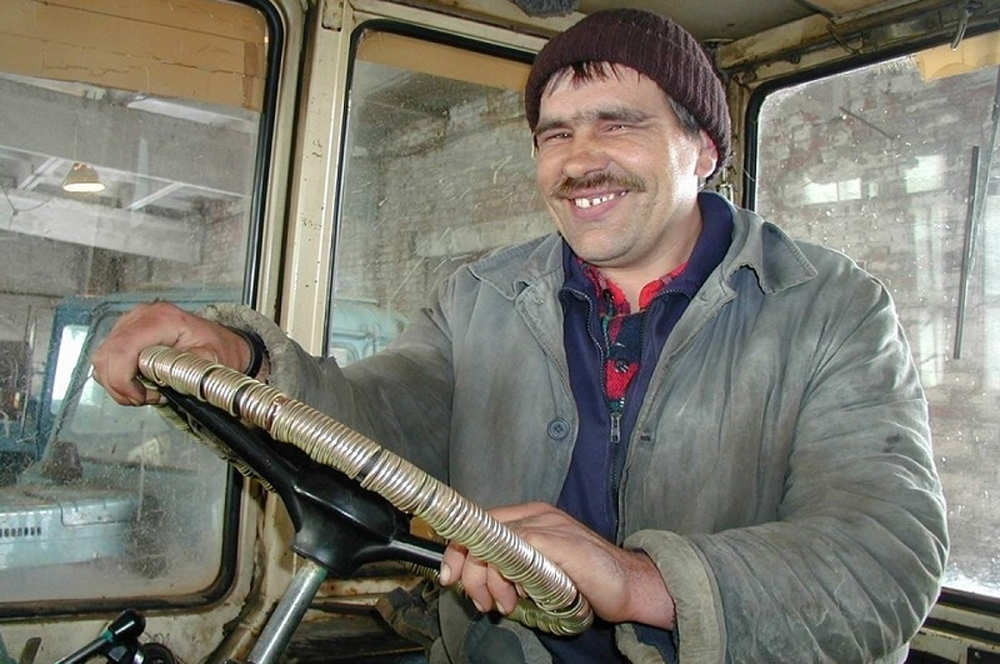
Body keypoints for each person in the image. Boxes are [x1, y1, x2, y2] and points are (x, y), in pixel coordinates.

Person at [92, 8, 948, 664]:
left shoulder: (830, 309)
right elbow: (376, 424)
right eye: (555, 135)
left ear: (703, 148)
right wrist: (241, 356)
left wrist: (640, 582)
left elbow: (884, 563)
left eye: (618, 123)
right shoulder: (481, 297)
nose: (578, 161)